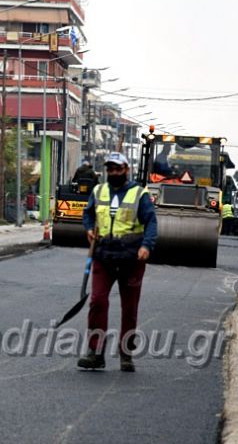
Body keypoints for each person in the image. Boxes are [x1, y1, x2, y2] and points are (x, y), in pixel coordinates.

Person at [78, 152, 158, 372]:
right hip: (103, 256)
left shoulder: (138, 194)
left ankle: (126, 354)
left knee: (129, 308)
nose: (113, 173)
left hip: (131, 258)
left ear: (126, 170)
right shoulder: (99, 190)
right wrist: (89, 228)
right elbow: (88, 214)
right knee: (97, 302)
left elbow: (151, 222)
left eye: (117, 169)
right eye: (110, 169)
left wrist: (146, 246)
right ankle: (95, 353)